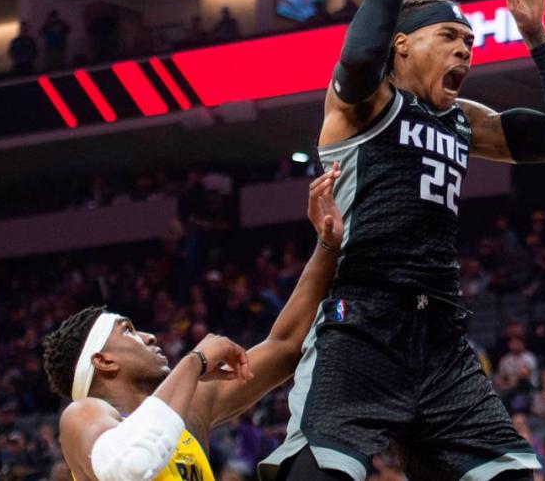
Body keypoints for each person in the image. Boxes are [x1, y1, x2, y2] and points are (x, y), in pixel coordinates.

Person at [263, 0, 545, 479]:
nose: (465, 50)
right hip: (361, 324)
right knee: (320, 473)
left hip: (441, 335)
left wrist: (536, 33)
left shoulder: (464, 119)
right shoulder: (364, 105)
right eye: (449, 36)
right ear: (403, 45)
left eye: (470, 43)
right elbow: (359, 56)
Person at [41, 169, 344, 481]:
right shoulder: (83, 415)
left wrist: (327, 247)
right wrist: (194, 362)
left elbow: (284, 347)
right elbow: (130, 465)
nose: (147, 337)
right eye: (128, 331)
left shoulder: (190, 407)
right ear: (103, 360)